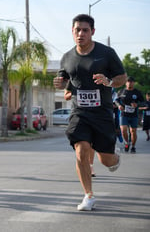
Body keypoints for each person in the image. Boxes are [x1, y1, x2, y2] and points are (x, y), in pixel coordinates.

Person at [53, 14, 127, 211]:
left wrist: (109, 82)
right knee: (81, 150)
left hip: (102, 113)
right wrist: (61, 84)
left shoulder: (106, 53)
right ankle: (88, 195)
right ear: (72, 31)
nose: (80, 34)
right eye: (77, 30)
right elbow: (65, 81)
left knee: (107, 160)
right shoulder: (67, 57)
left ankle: (115, 157)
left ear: (92, 32)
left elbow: (121, 77)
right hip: (80, 113)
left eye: (85, 30)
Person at [115, 76, 144, 153]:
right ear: (125, 83)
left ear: (133, 83)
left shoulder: (137, 92)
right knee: (123, 130)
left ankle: (133, 146)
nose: (129, 83)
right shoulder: (121, 91)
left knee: (133, 131)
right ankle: (127, 143)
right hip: (124, 114)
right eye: (128, 81)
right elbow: (116, 100)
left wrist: (137, 104)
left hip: (133, 115)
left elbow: (143, 102)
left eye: (131, 81)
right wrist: (119, 105)